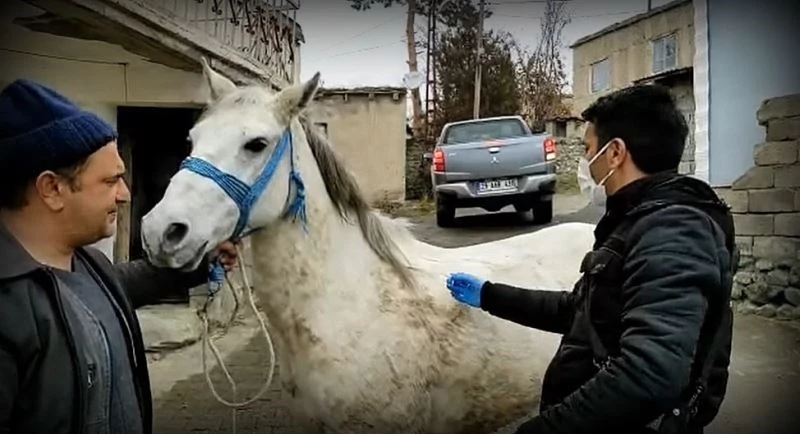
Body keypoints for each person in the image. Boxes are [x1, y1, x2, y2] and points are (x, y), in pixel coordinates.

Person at [446, 84, 736, 434]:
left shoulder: (674, 230)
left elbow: (650, 375)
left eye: (587, 150)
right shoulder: (639, 220)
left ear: (615, 153)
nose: (585, 165)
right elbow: (582, 312)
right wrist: (490, 295)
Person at [0, 79, 239, 434]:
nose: (125, 195)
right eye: (111, 181)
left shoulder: (90, 266)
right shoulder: (8, 309)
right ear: (52, 189)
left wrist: (200, 261)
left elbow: (131, 281)